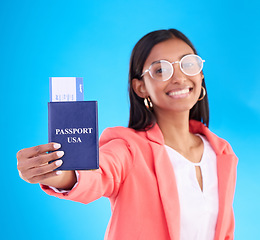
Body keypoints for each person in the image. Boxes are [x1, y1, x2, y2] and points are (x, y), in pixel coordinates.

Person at [17, 29, 238, 240]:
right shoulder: (127, 148)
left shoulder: (221, 152)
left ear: (200, 74)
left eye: (187, 64)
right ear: (140, 87)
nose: (179, 77)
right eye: (160, 70)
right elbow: (98, 173)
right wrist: (54, 172)